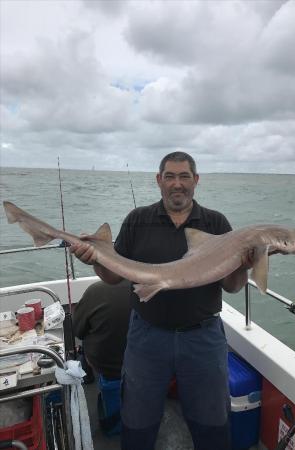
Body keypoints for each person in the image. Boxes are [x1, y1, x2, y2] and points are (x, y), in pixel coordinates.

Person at [70, 151, 252, 450]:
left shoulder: (216, 223)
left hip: (202, 339)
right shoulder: (138, 220)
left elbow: (232, 286)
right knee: (137, 422)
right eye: (170, 176)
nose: (177, 184)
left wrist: (244, 264)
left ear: (196, 180)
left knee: (212, 423)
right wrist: (95, 259)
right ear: (159, 180)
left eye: (184, 176)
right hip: (147, 338)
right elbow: (115, 276)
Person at [72, 280, 131, 435]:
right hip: (146, 365)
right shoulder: (150, 288)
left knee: (85, 340)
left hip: (108, 366)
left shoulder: (95, 291)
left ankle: (88, 376)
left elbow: (78, 330)